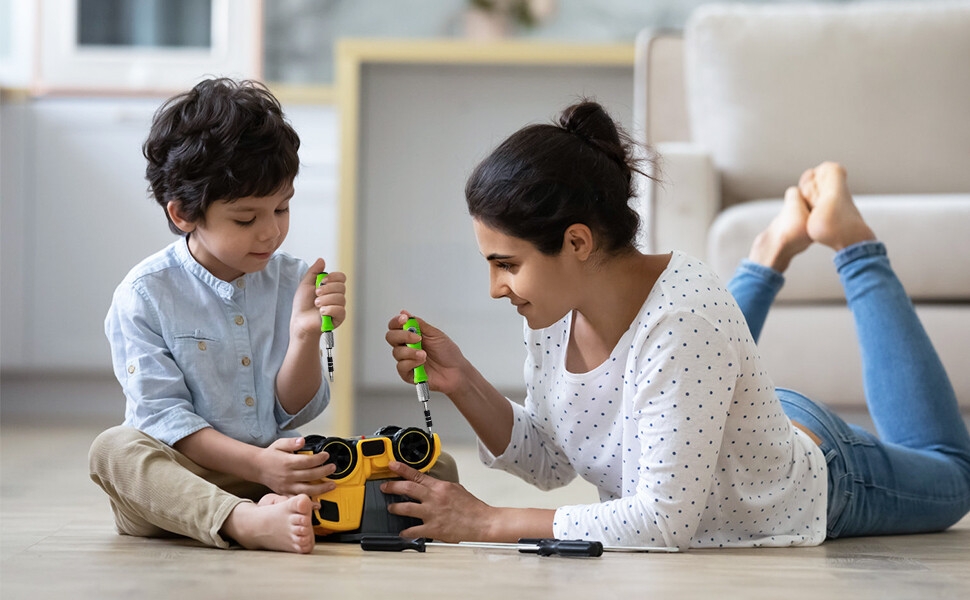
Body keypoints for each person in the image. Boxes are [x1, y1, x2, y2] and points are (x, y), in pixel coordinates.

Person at [381, 100, 970, 549]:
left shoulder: (684, 317)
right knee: (695, 330)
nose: (495, 287)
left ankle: (852, 242)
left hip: (824, 474)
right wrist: (461, 381)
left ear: (577, 242)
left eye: (507, 265)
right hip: (722, 413)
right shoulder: (552, 310)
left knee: (954, 471)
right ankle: (768, 253)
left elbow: (662, 521)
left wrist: (487, 521)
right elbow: (551, 463)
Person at [88, 78, 347, 554]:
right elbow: (162, 420)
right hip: (188, 478)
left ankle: (279, 512)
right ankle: (242, 522)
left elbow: (296, 409)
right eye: (246, 219)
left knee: (430, 470)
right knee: (114, 450)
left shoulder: (290, 280)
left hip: (273, 470)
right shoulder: (145, 294)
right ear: (185, 213)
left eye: (282, 208)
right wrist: (258, 467)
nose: (271, 233)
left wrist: (306, 334)